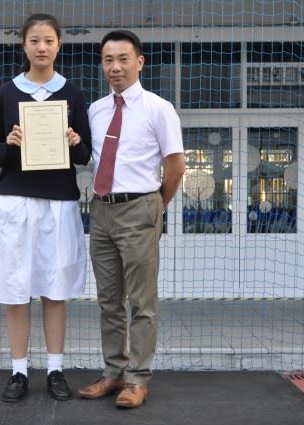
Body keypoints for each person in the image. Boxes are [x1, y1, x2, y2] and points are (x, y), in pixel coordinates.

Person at [0, 13, 91, 402]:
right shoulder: (8, 93)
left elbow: (86, 154)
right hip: (15, 203)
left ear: (59, 45)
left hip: (59, 203)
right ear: (23, 45)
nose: (42, 47)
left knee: (55, 290)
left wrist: (74, 142)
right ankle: (19, 371)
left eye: (49, 41)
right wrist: (10, 143)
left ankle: (55, 369)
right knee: (16, 289)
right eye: (34, 41)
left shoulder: (72, 93)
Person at [77, 30, 185, 408]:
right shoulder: (95, 110)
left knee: (142, 303)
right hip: (101, 211)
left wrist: (155, 206)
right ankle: (113, 373)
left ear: (139, 62)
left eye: (123, 59)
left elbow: (176, 166)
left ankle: (138, 379)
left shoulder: (158, 108)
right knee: (109, 301)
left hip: (140, 207)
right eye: (108, 60)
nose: (115, 67)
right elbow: (88, 156)